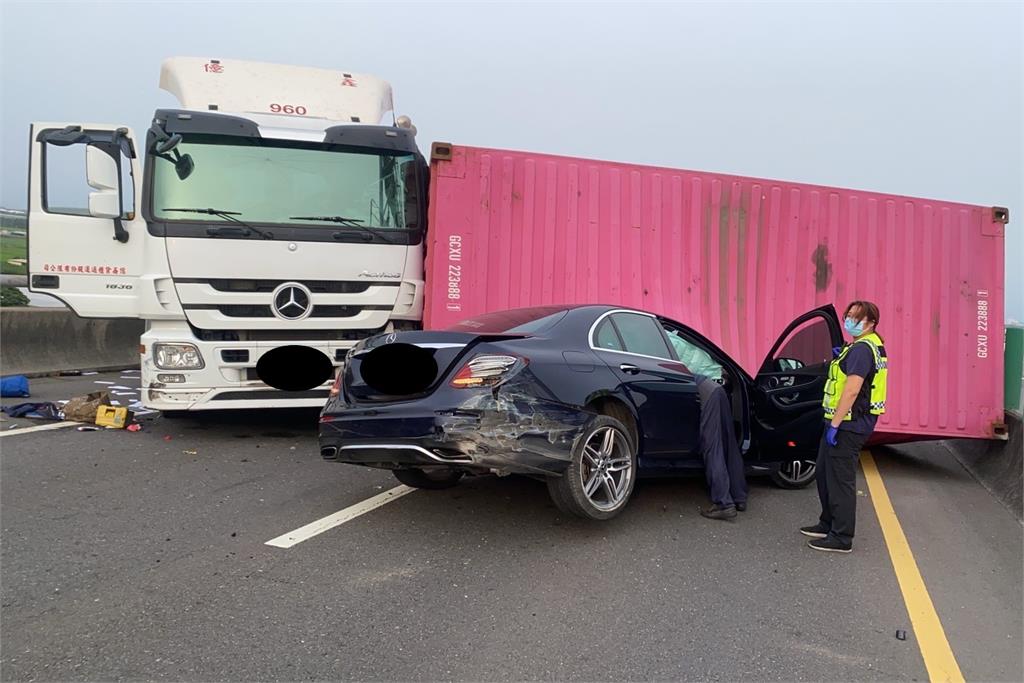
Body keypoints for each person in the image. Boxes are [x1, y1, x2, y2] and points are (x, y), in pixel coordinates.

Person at [801, 300, 888, 552]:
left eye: (856, 317)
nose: (850, 321)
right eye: (848, 316)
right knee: (824, 472)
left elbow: (851, 390)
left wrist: (835, 425)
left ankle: (841, 537)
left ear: (871, 322)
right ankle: (827, 522)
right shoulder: (864, 347)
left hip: (849, 424)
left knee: (840, 480)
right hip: (844, 421)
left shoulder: (862, 349)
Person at [663, 328, 748, 520]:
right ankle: (739, 496)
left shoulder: (667, 341)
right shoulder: (681, 336)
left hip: (706, 389)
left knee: (712, 446)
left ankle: (723, 503)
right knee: (729, 444)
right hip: (718, 387)